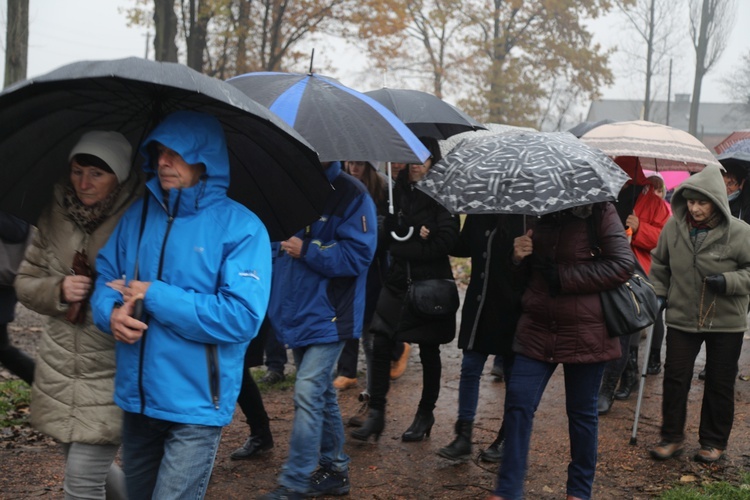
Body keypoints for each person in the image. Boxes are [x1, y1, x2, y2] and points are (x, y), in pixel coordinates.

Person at [90, 111, 272, 499]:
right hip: (138, 401)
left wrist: (155, 295)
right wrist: (110, 312)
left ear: (204, 158)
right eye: (159, 151)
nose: (163, 162)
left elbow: (241, 317)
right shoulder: (137, 215)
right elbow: (107, 274)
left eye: (176, 153)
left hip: (195, 406)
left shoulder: (243, 228)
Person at [14, 130, 142, 499]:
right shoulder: (54, 212)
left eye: (96, 174)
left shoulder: (140, 218)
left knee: (81, 484)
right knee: (92, 474)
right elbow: (25, 282)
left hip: (110, 368)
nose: (83, 183)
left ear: (119, 175)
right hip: (59, 369)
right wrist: (57, 289)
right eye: (77, 170)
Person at [490, 201, 633, 500]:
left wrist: (564, 277)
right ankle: (508, 490)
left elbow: (622, 265)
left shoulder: (599, 212)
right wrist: (517, 258)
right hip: (537, 326)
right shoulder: (536, 213)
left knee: (581, 413)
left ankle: (578, 492)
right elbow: (523, 278)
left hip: (587, 329)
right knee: (518, 402)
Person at [258, 161, 377, 499]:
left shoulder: (352, 194)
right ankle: (336, 468)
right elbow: (272, 246)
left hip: (331, 314)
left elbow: (359, 255)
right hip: (296, 311)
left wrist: (308, 249)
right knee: (321, 393)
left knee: (308, 390)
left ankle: (294, 482)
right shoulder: (286, 187)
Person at [351, 137, 460, 444]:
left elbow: (446, 242)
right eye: (410, 158)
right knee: (381, 341)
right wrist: (398, 232)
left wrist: (409, 242)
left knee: (429, 351)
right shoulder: (395, 192)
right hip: (398, 283)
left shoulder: (443, 194)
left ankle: (425, 413)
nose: (414, 166)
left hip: (430, 286)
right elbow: (386, 241)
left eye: (421, 160)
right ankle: (376, 413)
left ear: (432, 162)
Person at [648, 164, 750, 464]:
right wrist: (658, 291)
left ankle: (714, 442)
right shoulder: (673, 227)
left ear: (717, 200)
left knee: (719, 382)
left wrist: (729, 281)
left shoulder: (741, 233)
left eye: (701, 202)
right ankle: (671, 438)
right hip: (682, 316)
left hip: (725, 319)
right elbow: (660, 264)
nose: (694, 208)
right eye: (690, 201)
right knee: (675, 377)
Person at [437, 214, 526, 463]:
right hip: (479, 308)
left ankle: (507, 437)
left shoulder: (527, 217)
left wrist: (519, 259)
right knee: (470, 368)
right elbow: (462, 246)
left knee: (513, 376)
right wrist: (448, 221)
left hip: (512, 309)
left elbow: (538, 267)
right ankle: (463, 436)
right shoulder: (479, 213)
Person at [598, 172, 671, 413]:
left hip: (636, 271)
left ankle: (610, 386)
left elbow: (664, 239)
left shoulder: (655, 203)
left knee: (626, 328)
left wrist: (640, 229)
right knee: (609, 328)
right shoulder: (605, 194)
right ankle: (625, 375)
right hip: (605, 267)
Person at [230, 319, 275, 460]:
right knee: (237, 373)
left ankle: (260, 434)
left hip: (240, 316)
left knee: (237, 371)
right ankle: (260, 434)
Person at [0, 213, 34, 385]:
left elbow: (17, 230)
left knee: (3, 349)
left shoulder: (13, 202)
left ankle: (44, 383)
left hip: (3, 287)